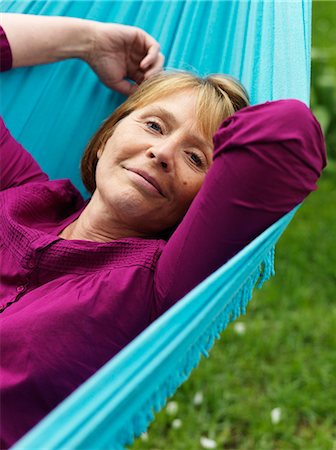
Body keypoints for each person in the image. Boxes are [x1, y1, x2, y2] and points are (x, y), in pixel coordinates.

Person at [0, 13, 326, 449]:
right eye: (154, 125)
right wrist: (88, 40)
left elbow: (289, 134)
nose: (162, 152)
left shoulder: (158, 287)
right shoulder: (23, 193)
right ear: (106, 137)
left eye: (196, 158)